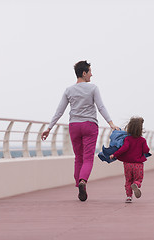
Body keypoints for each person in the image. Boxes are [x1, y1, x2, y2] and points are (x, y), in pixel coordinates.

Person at [41, 60, 119, 202]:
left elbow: (59, 111)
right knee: (88, 158)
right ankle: (83, 181)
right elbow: (101, 107)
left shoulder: (68, 90)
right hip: (89, 125)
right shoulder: (93, 88)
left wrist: (49, 128)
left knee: (78, 157)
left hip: (74, 126)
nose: (91, 74)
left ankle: (79, 186)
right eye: (89, 71)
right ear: (83, 73)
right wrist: (111, 123)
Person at [109, 117, 150, 203]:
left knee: (128, 180)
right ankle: (136, 184)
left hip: (127, 164)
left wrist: (114, 154)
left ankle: (128, 197)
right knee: (138, 179)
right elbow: (146, 150)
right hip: (138, 164)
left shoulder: (127, 139)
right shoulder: (142, 140)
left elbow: (123, 148)